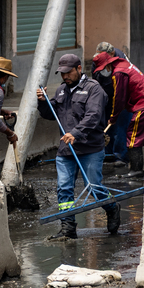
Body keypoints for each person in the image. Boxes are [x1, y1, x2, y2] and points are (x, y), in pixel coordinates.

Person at [37, 53, 119, 240]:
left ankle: (112, 208)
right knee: (64, 188)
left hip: (90, 148)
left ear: (79, 69)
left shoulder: (93, 89)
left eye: (68, 72)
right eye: (62, 73)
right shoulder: (61, 90)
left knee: (94, 188)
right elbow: (52, 114)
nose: (65, 76)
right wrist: (42, 103)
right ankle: (68, 228)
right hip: (66, 150)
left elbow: (93, 116)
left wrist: (76, 132)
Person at [92, 51, 144, 180]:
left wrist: (113, 117)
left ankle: (136, 170)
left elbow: (119, 98)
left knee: (133, 136)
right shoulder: (124, 65)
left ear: (107, 65)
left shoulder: (118, 73)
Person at [93, 41, 131, 166]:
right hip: (107, 95)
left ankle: (121, 156)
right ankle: (107, 154)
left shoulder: (121, 63)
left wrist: (116, 111)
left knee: (121, 125)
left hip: (123, 97)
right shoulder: (97, 61)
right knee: (106, 124)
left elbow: (122, 90)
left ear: (112, 54)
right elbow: (94, 80)